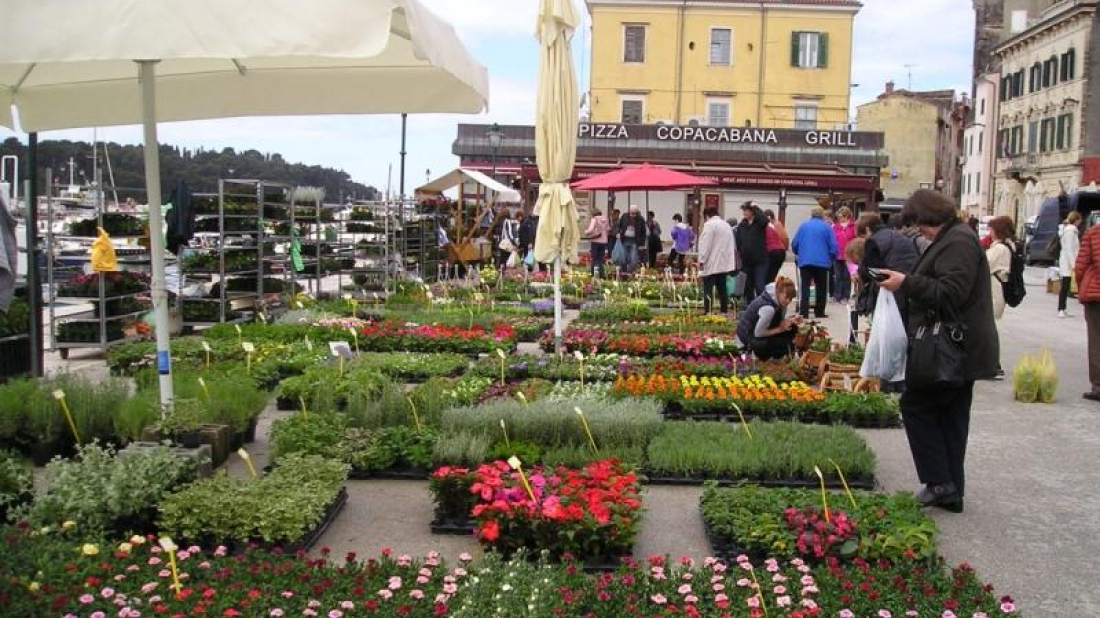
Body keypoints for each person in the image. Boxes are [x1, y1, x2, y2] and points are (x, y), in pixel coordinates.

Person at [876, 189, 999, 514]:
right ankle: (951, 490)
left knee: (916, 406)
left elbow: (950, 293)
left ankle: (939, 482)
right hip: (962, 347)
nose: (921, 232)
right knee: (951, 416)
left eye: (921, 225)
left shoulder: (957, 241)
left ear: (932, 217)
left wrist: (906, 282)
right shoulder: (958, 237)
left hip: (952, 347)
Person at [856, 212, 921, 319]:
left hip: (891, 288)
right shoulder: (897, 235)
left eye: (863, 237)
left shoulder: (873, 241)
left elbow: (873, 270)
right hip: (909, 282)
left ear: (867, 230)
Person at [737, 277, 802, 360]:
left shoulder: (777, 300)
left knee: (792, 328)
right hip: (748, 339)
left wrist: (791, 320)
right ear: (779, 292)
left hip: (755, 333)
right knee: (787, 344)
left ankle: (776, 355)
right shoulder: (768, 308)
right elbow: (758, 333)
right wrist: (780, 329)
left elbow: (776, 321)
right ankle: (760, 356)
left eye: (791, 299)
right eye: (786, 297)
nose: (788, 301)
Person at [791, 207, 838, 319]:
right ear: (822, 216)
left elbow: (794, 243)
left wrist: (799, 253)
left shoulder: (803, 226)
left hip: (805, 261)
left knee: (805, 286)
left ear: (811, 215)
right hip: (822, 262)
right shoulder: (827, 227)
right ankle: (819, 312)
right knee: (821, 287)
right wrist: (831, 256)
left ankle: (804, 312)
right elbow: (834, 246)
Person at [698, 203, 739, 314]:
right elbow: (732, 244)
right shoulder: (726, 225)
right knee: (722, 288)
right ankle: (724, 311)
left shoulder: (709, 225)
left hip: (712, 262)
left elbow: (705, 245)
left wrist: (701, 260)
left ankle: (708, 311)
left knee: (708, 288)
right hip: (724, 263)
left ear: (706, 215)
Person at [1077, 222, 1100, 401]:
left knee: (1096, 341)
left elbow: (1081, 265)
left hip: (1095, 295)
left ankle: (1098, 386)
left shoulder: (1094, 232)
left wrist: (1081, 284)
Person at [735, 203, 769, 300]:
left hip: (760, 261)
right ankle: (751, 308)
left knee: (759, 286)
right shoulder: (742, 225)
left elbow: (765, 220)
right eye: (743, 210)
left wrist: (756, 207)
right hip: (746, 262)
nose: (744, 213)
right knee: (748, 287)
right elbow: (738, 241)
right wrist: (740, 252)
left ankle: (763, 304)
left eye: (746, 210)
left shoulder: (759, 223)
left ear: (752, 212)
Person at [1057, 211, 1082, 317]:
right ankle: (1061, 309)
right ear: (1076, 220)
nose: (1080, 222)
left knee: (1066, 285)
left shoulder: (1070, 231)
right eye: (1080, 220)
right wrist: (1073, 265)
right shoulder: (1070, 231)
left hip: (1067, 260)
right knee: (1065, 285)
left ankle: (1063, 308)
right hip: (1068, 261)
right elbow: (1070, 249)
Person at [831, 207, 857, 303]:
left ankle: (845, 296)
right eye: (839, 217)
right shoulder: (835, 227)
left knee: (847, 276)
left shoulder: (853, 226)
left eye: (841, 217)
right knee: (838, 276)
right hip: (837, 255)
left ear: (847, 216)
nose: (840, 219)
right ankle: (837, 295)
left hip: (849, 255)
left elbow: (855, 239)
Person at [617, 205, 645, 274]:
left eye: (635, 213)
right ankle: (623, 272)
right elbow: (619, 225)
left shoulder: (640, 219)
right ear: (629, 211)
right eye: (632, 213)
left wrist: (642, 244)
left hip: (635, 241)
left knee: (633, 259)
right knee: (623, 257)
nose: (634, 215)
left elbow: (643, 232)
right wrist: (618, 233)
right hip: (625, 239)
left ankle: (630, 273)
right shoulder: (624, 216)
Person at [764, 209, 789, 285]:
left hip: (772, 252)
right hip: (781, 252)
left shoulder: (772, 225)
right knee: (772, 275)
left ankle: (768, 292)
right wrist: (785, 249)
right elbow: (786, 239)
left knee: (768, 277)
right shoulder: (779, 224)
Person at [584, 208, 610, 278]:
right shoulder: (606, 219)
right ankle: (602, 275)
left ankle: (594, 275)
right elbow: (608, 229)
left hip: (595, 241)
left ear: (593, 213)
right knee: (601, 259)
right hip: (604, 241)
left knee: (595, 259)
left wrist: (586, 232)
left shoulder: (594, 219)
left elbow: (591, 230)